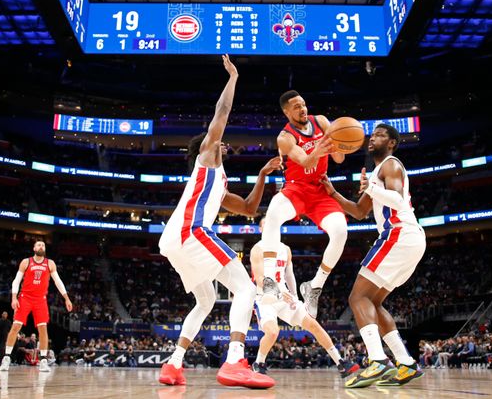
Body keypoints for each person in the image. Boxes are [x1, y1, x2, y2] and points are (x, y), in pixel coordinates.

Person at [157, 55, 281, 389]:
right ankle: (235, 360)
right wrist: (234, 77)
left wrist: (261, 176)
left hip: (175, 240)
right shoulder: (207, 158)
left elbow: (249, 208)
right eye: (217, 140)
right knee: (245, 287)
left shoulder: (218, 182)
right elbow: (222, 114)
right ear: (207, 147)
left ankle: (173, 364)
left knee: (206, 301)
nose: (223, 142)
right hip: (191, 231)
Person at [321, 124, 426, 387]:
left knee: (357, 297)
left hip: (398, 234)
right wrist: (333, 193)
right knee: (373, 303)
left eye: (380, 135)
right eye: (373, 134)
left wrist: (372, 188)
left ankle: (377, 361)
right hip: (409, 240)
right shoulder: (376, 173)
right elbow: (358, 211)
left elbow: (399, 200)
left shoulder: (391, 165)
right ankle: (406, 363)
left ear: (391, 143)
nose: (372, 138)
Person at [258, 90, 348, 318]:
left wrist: (340, 143)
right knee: (274, 213)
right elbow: (305, 160)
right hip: (296, 188)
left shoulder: (322, 122)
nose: (303, 109)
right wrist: (320, 148)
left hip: (320, 188)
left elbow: (339, 159)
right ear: (286, 112)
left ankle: (314, 286)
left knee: (340, 231)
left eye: (304, 104)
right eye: (297, 106)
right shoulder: (285, 137)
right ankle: (270, 279)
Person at [249, 222, 359, 380]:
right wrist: (279, 293)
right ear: (261, 229)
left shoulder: (285, 249)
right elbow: (259, 279)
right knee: (273, 332)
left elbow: (289, 275)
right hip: (265, 298)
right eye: (266, 225)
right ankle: (259, 363)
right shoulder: (258, 249)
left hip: (285, 297)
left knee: (313, 324)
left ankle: (341, 363)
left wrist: (294, 297)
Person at [0, 240, 72, 372]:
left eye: (43, 245)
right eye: (38, 245)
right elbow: (16, 280)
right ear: (34, 248)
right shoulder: (26, 262)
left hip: (40, 300)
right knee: (15, 326)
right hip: (25, 298)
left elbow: (58, 281)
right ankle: (6, 358)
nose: (41, 246)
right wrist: (14, 297)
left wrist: (66, 298)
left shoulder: (50, 263)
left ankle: (43, 360)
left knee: (43, 330)